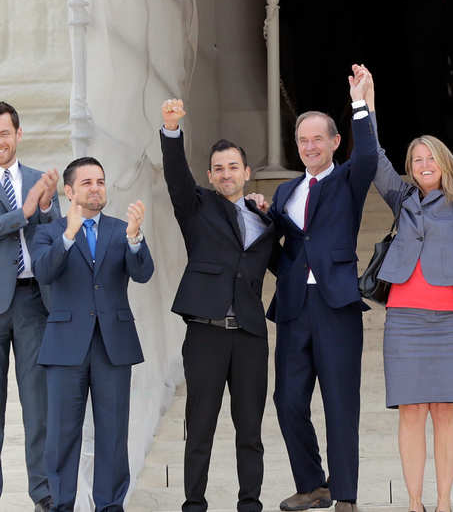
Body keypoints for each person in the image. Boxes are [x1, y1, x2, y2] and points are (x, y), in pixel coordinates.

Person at [360, 60, 453, 512]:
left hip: (452, 319)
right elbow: (373, 159)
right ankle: (414, 503)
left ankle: (444, 502)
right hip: (404, 319)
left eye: (429, 157)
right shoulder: (403, 200)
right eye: (415, 160)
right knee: (412, 411)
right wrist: (366, 102)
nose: (422, 164)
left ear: (442, 162)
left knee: (446, 411)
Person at [250, 68, 377, 512]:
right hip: (293, 306)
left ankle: (345, 492)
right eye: (303, 140)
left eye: (318, 139)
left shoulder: (348, 180)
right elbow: (288, 246)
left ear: (335, 143)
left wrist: (361, 103)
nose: (309, 146)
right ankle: (312, 484)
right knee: (287, 400)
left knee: (341, 402)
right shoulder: (286, 189)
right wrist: (264, 218)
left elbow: (369, 159)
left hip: (335, 303)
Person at [159, 99, 278, 512]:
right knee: (202, 426)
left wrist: (271, 213)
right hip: (206, 332)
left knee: (250, 429)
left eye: (234, 167)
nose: (226, 174)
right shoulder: (197, 208)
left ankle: (250, 503)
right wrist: (172, 130)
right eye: (219, 168)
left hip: (249, 335)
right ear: (210, 175)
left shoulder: (265, 218)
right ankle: (194, 503)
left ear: (247, 173)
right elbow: (176, 177)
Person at [31, 157, 154, 511]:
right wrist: (69, 234)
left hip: (113, 346)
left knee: (113, 434)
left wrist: (135, 240)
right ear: (69, 191)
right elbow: (43, 271)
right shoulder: (50, 232)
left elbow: (143, 273)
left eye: (100, 181)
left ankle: (110, 505)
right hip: (65, 346)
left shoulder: (121, 228)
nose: (96, 188)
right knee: (60, 435)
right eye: (87, 183)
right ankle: (59, 504)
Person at [0, 101, 60, 511]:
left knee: (38, 408)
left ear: (18, 135)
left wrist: (44, 206)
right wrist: (23, 212)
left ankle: (42, 495)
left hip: (32, 301)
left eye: (4, 133)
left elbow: (55, 234)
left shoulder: (40, 180)